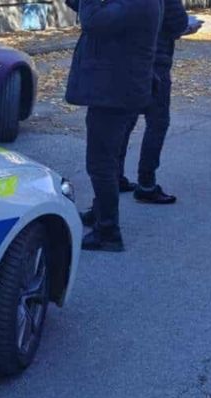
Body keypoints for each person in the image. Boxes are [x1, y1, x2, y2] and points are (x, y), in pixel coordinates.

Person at [65, 0, 162, 252]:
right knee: (106, 159)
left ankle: (108, 232)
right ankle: (101, 212)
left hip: (115, 92)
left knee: (100, 163)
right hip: (117, 89)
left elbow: (93, 21)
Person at [116, 6, 202, 204]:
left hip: (126, 61)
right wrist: (187, 27)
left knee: (125, 122)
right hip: (155, 62)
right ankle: (146, 183)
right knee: (157, 122)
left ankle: (115, 177)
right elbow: (177, 23)